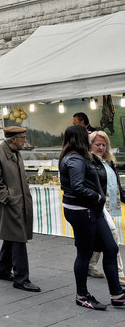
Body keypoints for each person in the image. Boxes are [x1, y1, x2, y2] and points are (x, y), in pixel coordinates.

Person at [59, 124, 125, 310]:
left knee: (111, 249)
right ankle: (82, 295)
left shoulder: (81, 157)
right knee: (85, 254)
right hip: (82, 211)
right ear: (79, 137)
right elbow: (78, 187)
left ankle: (117, 294)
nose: (90, 136)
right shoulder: (75, 159)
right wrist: (98, 197)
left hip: (91, 210)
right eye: (86, 134)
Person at [0, 126, 39, 292]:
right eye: (22, 137)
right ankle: (21, 278)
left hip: (18, 202)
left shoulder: (16, 152)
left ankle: (2, 271)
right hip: (9, 204)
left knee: (11, 237)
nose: (24, 140)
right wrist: (7, 198)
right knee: (18, 239)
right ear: (13, 139)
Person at [87, 131, 125, 284]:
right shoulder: (89, 162)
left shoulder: (108, 161)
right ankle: (119, 272)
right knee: (113, 236)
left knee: (101, 237)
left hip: (111, 204)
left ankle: (90, 265)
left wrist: (122, 196)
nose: (101, 147)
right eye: (98, 144)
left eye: (104, 144)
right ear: (90, 145)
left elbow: (116, 183)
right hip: (100, 205)